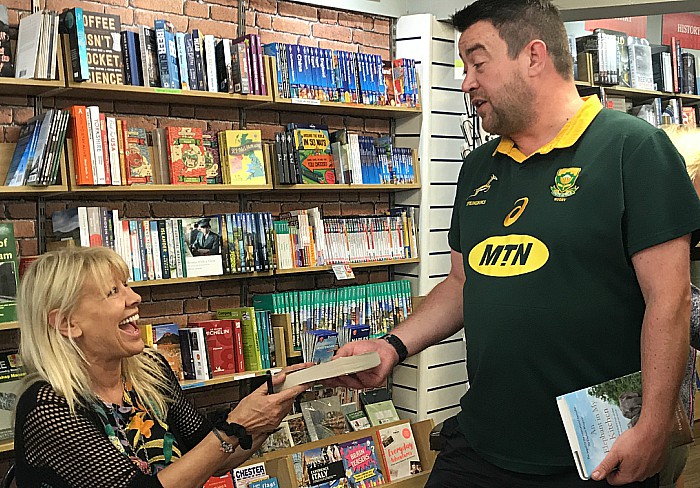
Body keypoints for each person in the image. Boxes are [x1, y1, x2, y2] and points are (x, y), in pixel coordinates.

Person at [328, 1, 700, 487]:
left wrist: (653, 422)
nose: (466, 82)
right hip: (483, 440)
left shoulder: (634, 147)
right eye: (464, 67)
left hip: (598, 451)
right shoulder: (478, 167)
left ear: (534, 56)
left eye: (478, 63)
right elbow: (463, 281)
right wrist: (392, 346)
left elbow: (668, 299)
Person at [13, 246, 309, 488]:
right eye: (113, 292)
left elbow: (216, 454)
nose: (135, 297)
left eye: (126, 285)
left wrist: (271, 409)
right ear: (67, 323)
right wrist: (235, 427)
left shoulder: (149, 371)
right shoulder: (49, 407)